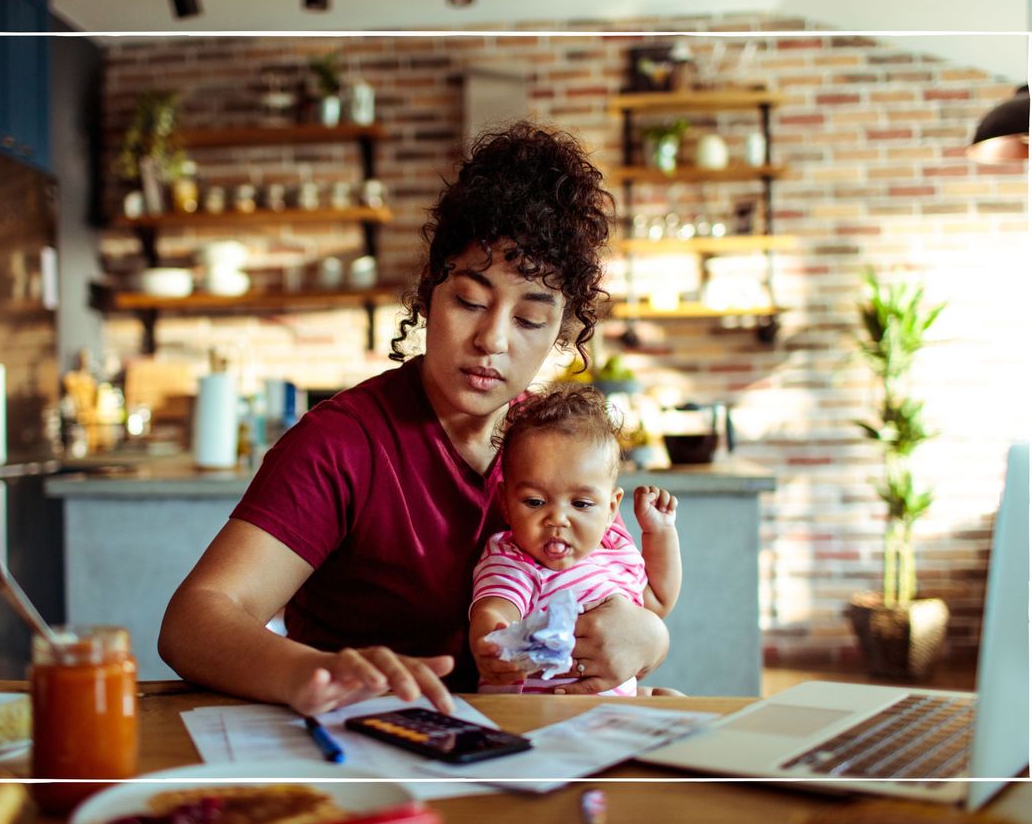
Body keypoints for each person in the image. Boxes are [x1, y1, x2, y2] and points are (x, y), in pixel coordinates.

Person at [159, 121, 670, 716]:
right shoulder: (343, 443)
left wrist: (648, 640)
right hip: (370, 736)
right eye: (470, 302)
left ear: (564, 330)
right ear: (429, 292)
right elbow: (194, 621)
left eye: (530, 320)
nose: (492, 340)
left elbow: (615, 590)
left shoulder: (557, 445)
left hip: (530, 741)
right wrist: (312, 672)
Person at [468, 385, 682, 696]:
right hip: (540, 713)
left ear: (610, 508)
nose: (558, 519)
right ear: (505, 503)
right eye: (535, 501)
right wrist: (490, 640)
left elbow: (658, 602)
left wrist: (660, 534)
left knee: (671, 700)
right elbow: (496, 607)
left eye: (580, 504)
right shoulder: (514, 559)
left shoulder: (613, 550)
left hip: (609, 709)